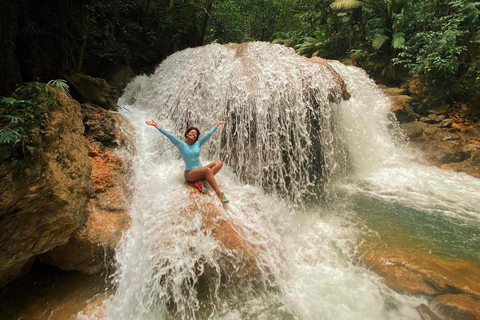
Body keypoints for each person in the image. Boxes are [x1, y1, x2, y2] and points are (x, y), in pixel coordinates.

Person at [145, 119, 229, 204]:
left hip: (201, 170)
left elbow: (207, 135)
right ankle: (219, 194)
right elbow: (169, 135)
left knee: (219, 163)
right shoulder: (181, 145)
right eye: (191, 132)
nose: (193, 134)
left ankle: (201, 181)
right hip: (190, 173)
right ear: (187, 134)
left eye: (195, 134)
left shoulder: (198, 144)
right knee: (207, 170)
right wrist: (156, 126)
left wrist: (216, 125)